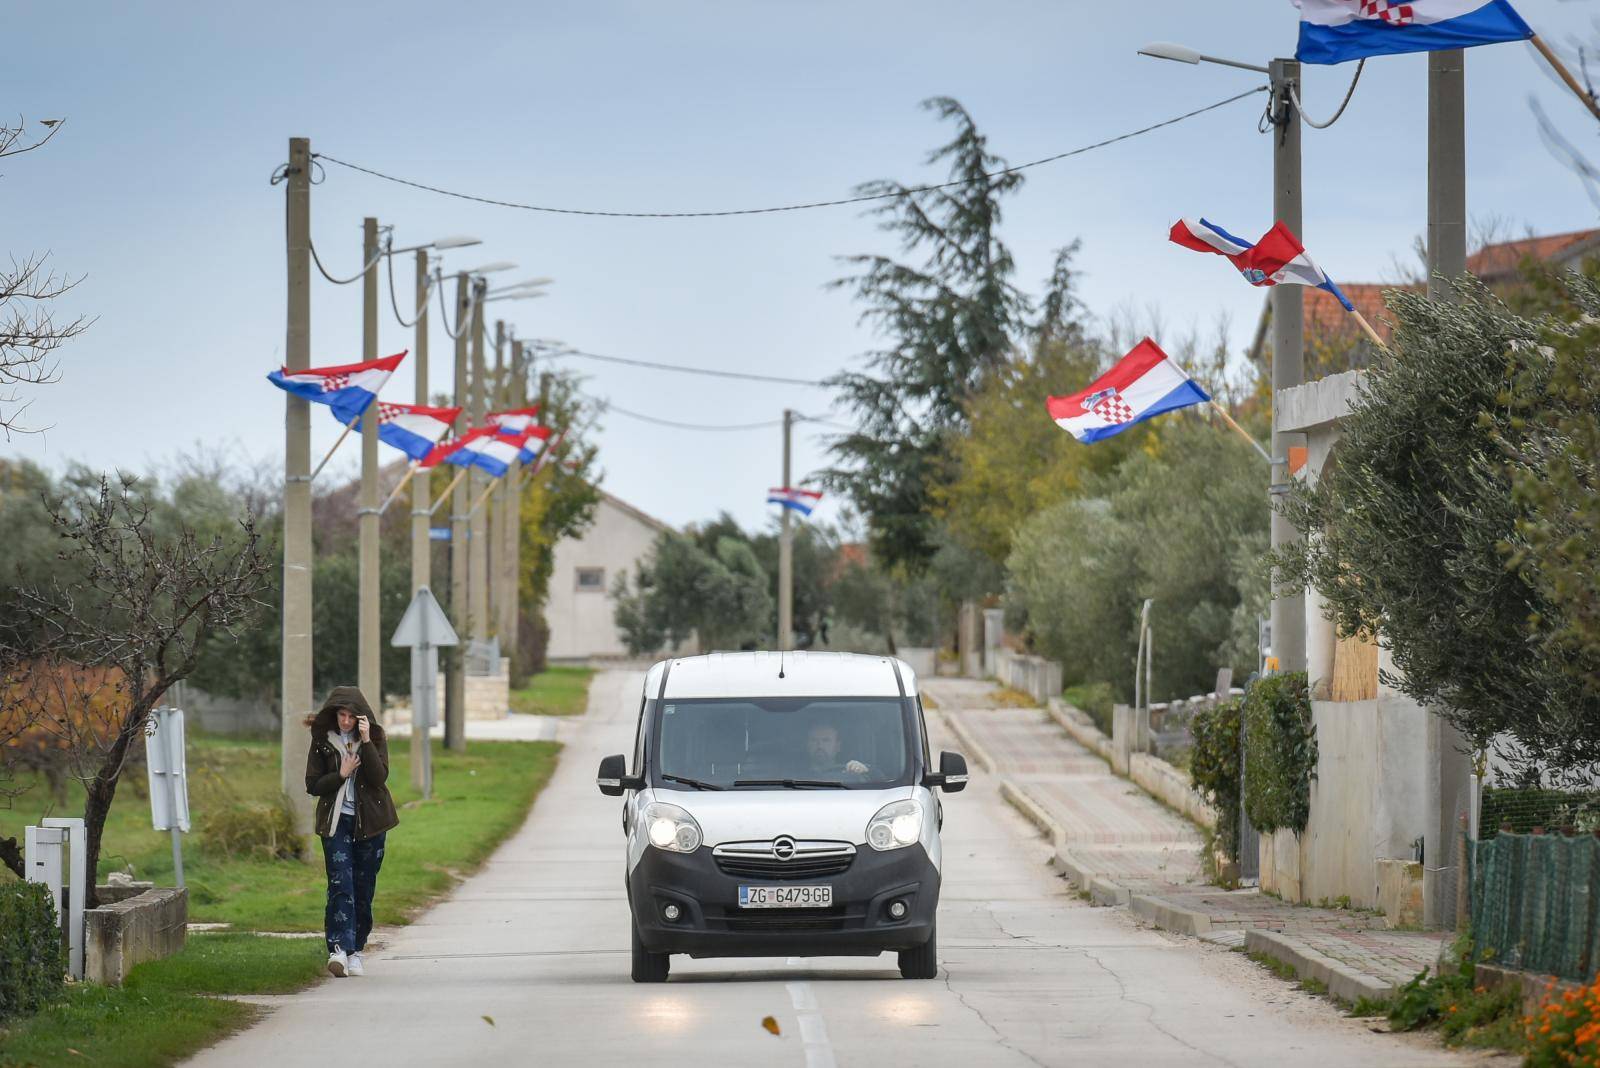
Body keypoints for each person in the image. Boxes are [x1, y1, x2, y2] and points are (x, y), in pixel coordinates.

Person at [305, 686, 397, 978]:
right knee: (340, 884)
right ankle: (339, 951)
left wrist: (367, 741)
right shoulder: (322, 741)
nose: (345, 722)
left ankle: (356, 949)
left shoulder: (376, 738)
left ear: (361, 718)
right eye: (340, 715)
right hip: (336, 823)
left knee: (363, 887)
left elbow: (379, 777)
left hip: (370, 824)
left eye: (350, 717)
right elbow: (313, 785)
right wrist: (341, 775)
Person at [805, 721, 870, 778]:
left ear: (837, 746)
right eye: (814, 740)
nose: (820, 745)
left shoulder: (850, 773)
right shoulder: (796, 776)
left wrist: (863, 771)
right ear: (807, 745)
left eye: (826, 740)